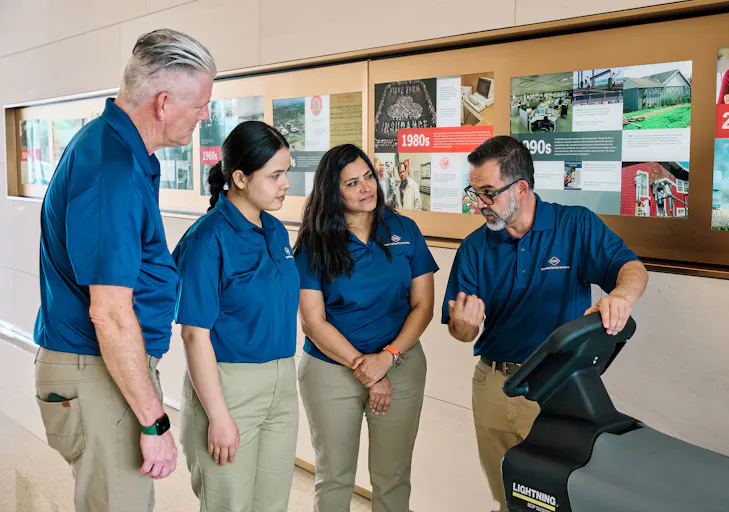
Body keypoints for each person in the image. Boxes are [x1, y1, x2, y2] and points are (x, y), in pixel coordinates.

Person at [33, 29, 216, 511]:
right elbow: (110, 315)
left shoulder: (123, 153)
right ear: (163, 104)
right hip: (97, 368)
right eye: (200, 105)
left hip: (106, 366)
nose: (205, 116)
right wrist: (155, 422)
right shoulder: (111, 170)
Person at [444, 136, 648, 512]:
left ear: (520, 188)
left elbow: (631, 268)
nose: (479, 204)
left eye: (488, 193)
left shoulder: (574, 225)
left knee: (558, 499)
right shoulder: (475, 247)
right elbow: (462, 332)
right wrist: (463, 324)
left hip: (558, 385)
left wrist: (622, 296)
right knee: (508, 498)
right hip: (495, 385)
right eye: (474, 192)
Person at [294, 144, 438, 511]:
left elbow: (423, 306)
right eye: (352, 183)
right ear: (332, 192)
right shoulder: (315, 243)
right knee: (335, 477)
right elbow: (313, 322)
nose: (366, 188)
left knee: (392, 477)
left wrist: (387, 360)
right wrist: (369, 371)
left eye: (368, 177)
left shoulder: (404, 229)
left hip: (400, 365)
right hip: (331, 370)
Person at [171, 121, 297, 512]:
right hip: (228, 386)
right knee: (229, 505)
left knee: (272, 504)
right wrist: (218, 415)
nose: (285, 184)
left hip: (282, 382)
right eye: (275, 175)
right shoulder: (207, 240)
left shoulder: (275, 230)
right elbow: (195, 336)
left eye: (286, 173)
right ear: (239, 177)